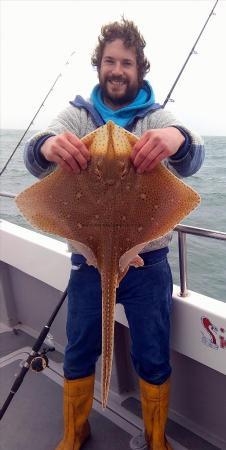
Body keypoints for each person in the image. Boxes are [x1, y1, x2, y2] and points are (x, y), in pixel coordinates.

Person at [24, 18, 205, 450]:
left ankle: (155, 437)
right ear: (99, 66)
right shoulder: (77, 115)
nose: (117, 69)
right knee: (81, 344)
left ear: (140, 68)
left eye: (126, 62)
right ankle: (75, 430)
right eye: (110, 61)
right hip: (87, 259)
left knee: (151, 352)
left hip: (149, 261)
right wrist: (47, 146)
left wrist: (175, 138)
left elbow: (193, 155)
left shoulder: (156, 116)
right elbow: (37, 155)